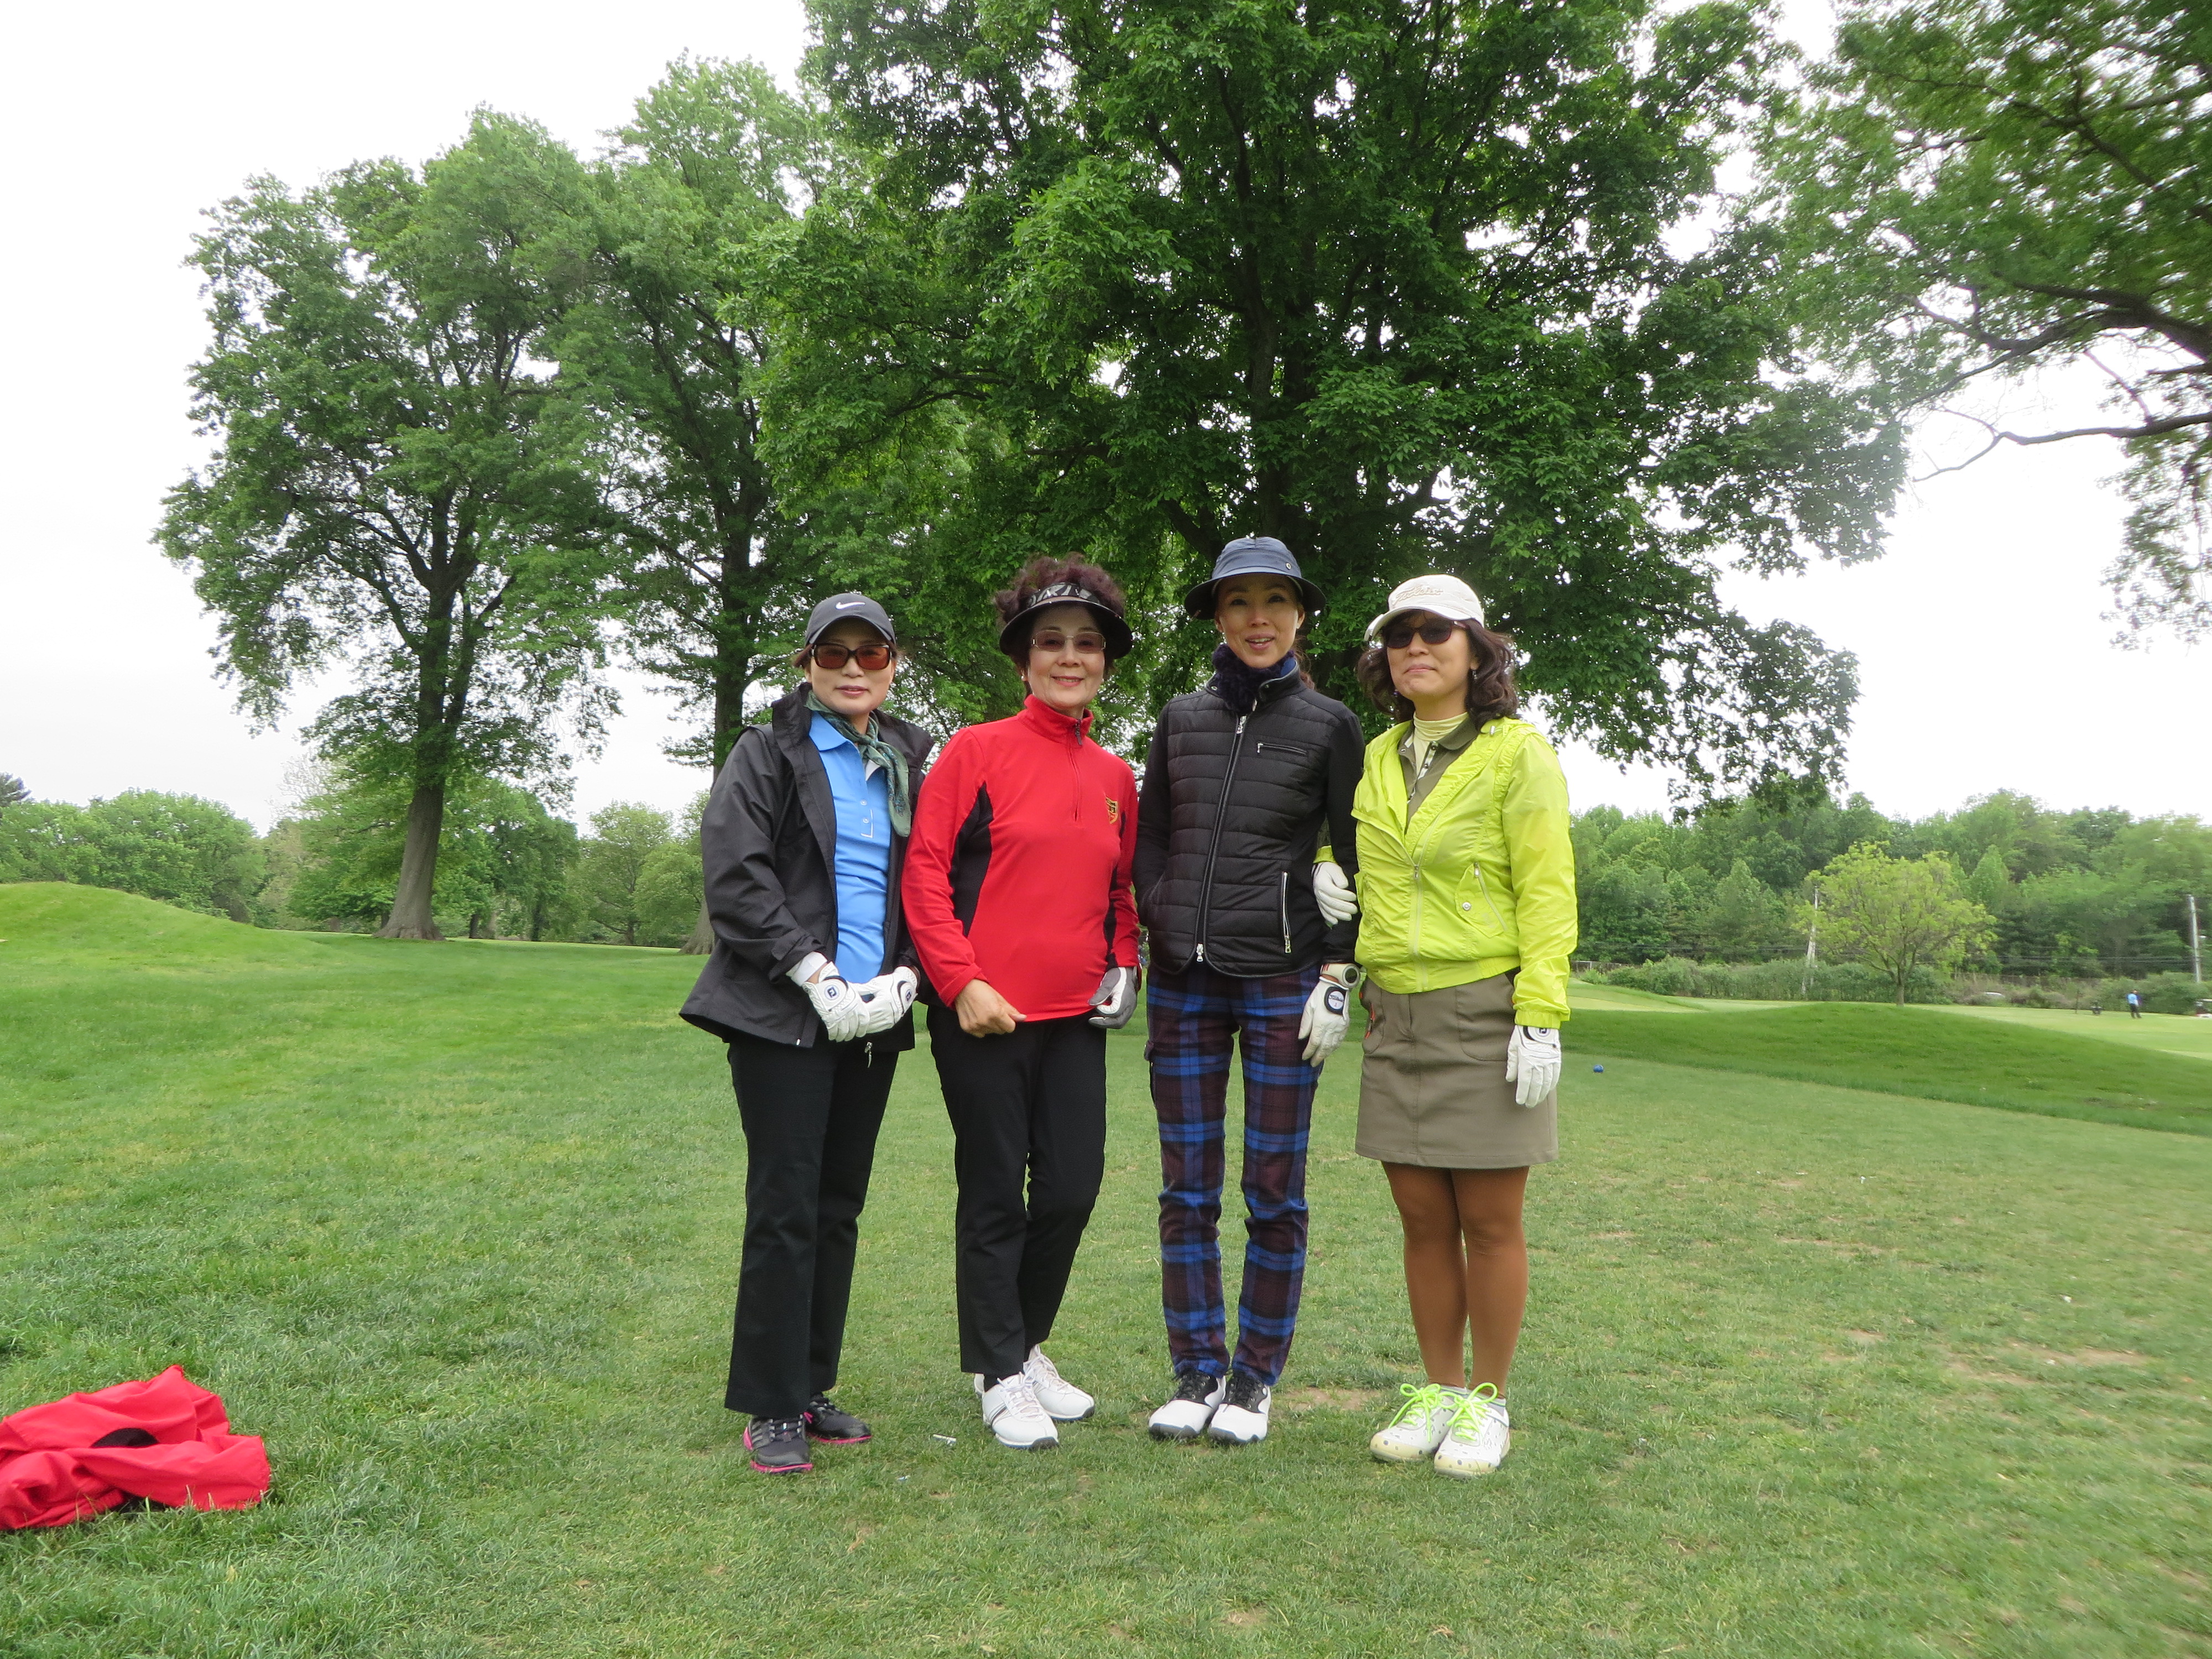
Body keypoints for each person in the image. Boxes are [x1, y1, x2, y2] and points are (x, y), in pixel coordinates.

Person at [679, 593, 935, 1475]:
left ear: (893, 664)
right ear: (808, 663)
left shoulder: (909, 759)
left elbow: (929, 879)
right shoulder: (767, 751)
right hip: (785, 1012)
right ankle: (771, 1401)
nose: (854, 668)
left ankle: (812, 1383)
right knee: (786, 1208)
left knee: (838, 1209)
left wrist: (909, 973)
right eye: (835, 653)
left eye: (872, 653)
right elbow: (737, 875)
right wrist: (811, 970)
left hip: (873, 1016)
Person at [902, 558, 1142, 1451]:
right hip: (985, 1016)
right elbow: (925, 873)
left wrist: (1126, 964)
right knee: (996, 1194)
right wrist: (960, 982)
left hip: (1076, 1018)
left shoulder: (1117, 777)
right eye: (1051, 642)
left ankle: (1020, 1345)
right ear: (1023, 659)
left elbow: (1121, 893)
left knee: (1072, 1190)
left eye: (1087, 644)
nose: (1070, 658)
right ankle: (1001, 1372)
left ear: (1105, 662)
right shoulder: (976, 751)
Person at [1133, 535, 1368, 1446]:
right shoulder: (1180, 717)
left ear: (1300, 614)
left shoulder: (1331, 723)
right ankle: (1196, 1370)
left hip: (1282, 975)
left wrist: (1338, 973)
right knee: (1186, 1188)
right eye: (1238, 602)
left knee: (1274, 1189)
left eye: (1274, 601)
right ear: (1218, 617)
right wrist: (1161, 912)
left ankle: (1254, 1379)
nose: (1257, 618)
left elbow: (1351, 853)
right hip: (1183, 981)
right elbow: (1154, 836)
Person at [1348, 573, 1576, 1479]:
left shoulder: (1519, 752)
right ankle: (1439, 1391)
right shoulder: (1378, 755)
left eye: (1436, 632)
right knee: (1420, 1219)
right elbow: (1369, 855)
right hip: (1394, 1011)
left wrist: (1540, 1013)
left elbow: (1547, 887)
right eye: (1400, 634)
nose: (1416, 647)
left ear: (1477, 649)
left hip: (1486, 1007)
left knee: (1489, 1220)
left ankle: (1488, 1401)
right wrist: (1328, 866)